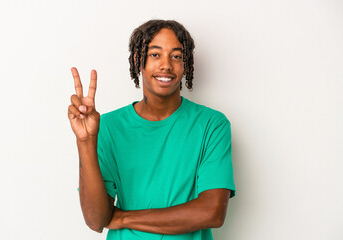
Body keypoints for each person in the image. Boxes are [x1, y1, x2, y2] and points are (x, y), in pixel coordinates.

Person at [68, 19, 236, 240]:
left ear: (185, 64)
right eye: (155, 54)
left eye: (176, 56)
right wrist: (86, 141)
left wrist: (123, 218)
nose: (166, 64)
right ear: (138, 60)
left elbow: (212, 212)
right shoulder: (107, 127)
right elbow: (96, 219)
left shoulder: (211, 125)